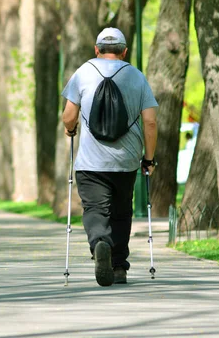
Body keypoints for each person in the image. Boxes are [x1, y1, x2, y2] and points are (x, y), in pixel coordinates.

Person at [61, 27, 158, 287]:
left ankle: (99, 242)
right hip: (126, 161)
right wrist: (148, 159)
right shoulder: (136, 76)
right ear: (124, 51)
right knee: (121, 213)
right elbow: (150, 122)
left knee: (95, 209)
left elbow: (69, 116)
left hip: (90, 162)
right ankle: (118, 267)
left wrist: (71, 129)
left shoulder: (83, 73)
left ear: (96, 49)